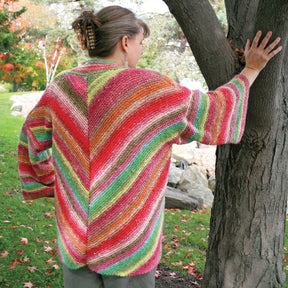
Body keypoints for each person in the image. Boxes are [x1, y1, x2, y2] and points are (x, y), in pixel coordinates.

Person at [17, 5, 282, 288]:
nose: (140, 51)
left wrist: (50, 184)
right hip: (129, 241)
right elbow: (215, 111)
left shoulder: (63, 87)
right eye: (140, 43)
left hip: (76, 236)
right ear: (125, 42)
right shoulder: (148, 89)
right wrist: (251, 69)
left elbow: (30, 139)